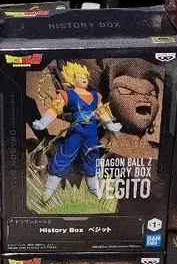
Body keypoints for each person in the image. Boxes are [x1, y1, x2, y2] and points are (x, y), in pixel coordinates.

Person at [32, 61, 122, 202]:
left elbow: (102, 112)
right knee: (64, 157)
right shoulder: (67, 95)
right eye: (80, 76)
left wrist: (109, 124)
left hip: (91, 134)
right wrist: (43, 122)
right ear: (72, 80)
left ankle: (94, 191)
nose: (84, 78)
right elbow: (55, 109)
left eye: (85, 76)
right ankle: (48, 191)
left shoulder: (95, 95)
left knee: (92, 158)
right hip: (75, 133)